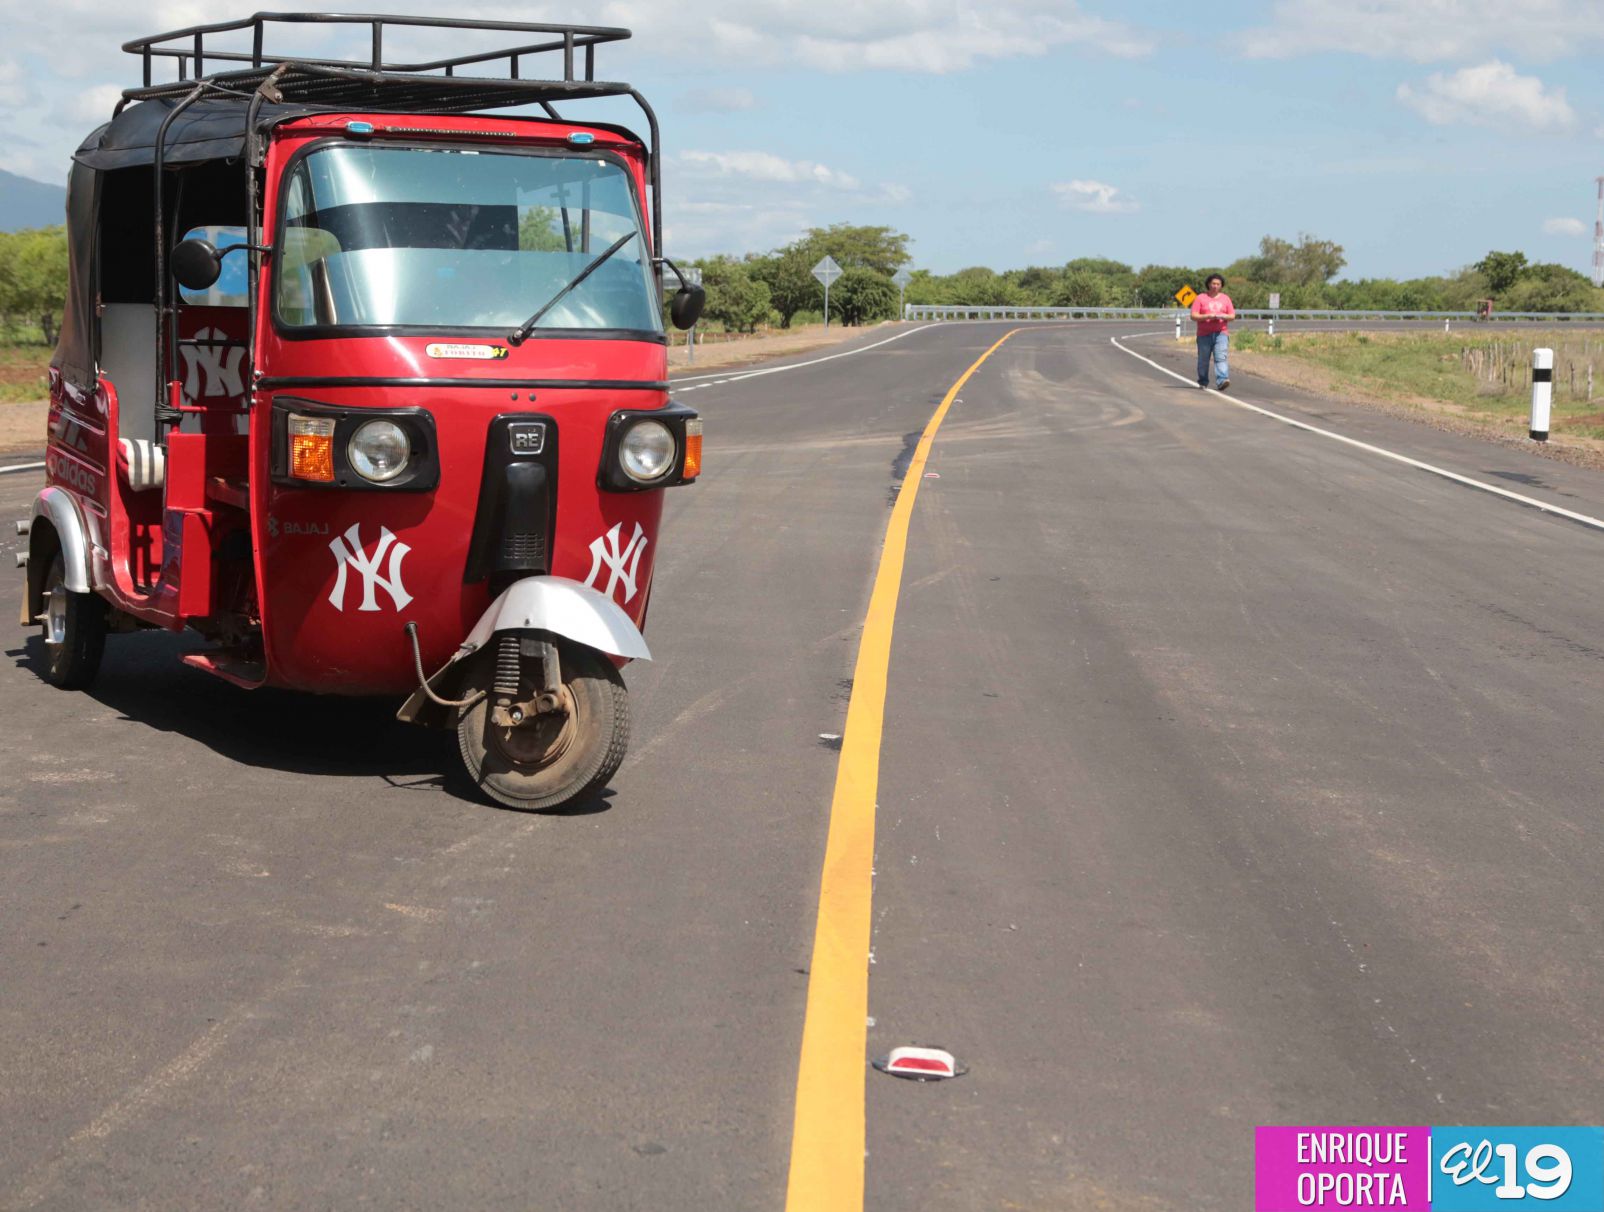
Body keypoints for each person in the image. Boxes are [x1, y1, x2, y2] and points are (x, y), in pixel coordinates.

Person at [1190, 273, 1234, 390]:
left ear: (1221, 285)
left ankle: (1222, 380)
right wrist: (1207, 316)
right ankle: (1203, 381)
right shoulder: (1201, 298)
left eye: (1218, 284)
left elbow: (1232, 316)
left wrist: (1222, 316)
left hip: (1221, 333)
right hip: (1204, 334)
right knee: (1203, 360)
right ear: (1209, 284)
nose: (1215, 286)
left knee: (1221, 357)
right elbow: (1193, 315)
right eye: (1213, 283)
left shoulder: (1225, 299)